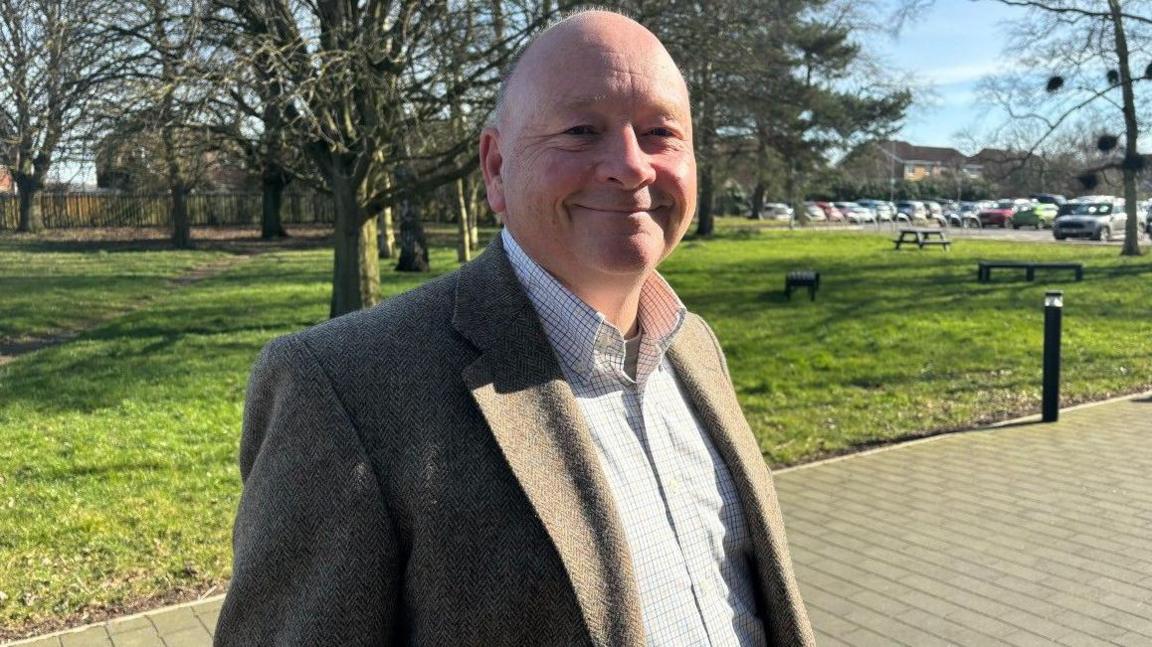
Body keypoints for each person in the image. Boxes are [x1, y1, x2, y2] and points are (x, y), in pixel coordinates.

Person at [215, 9, 813, 646]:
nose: (632, 166)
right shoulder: (343, 390)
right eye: (583, 131)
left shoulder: (692, 347)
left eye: (660, 132)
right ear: (496, 167)